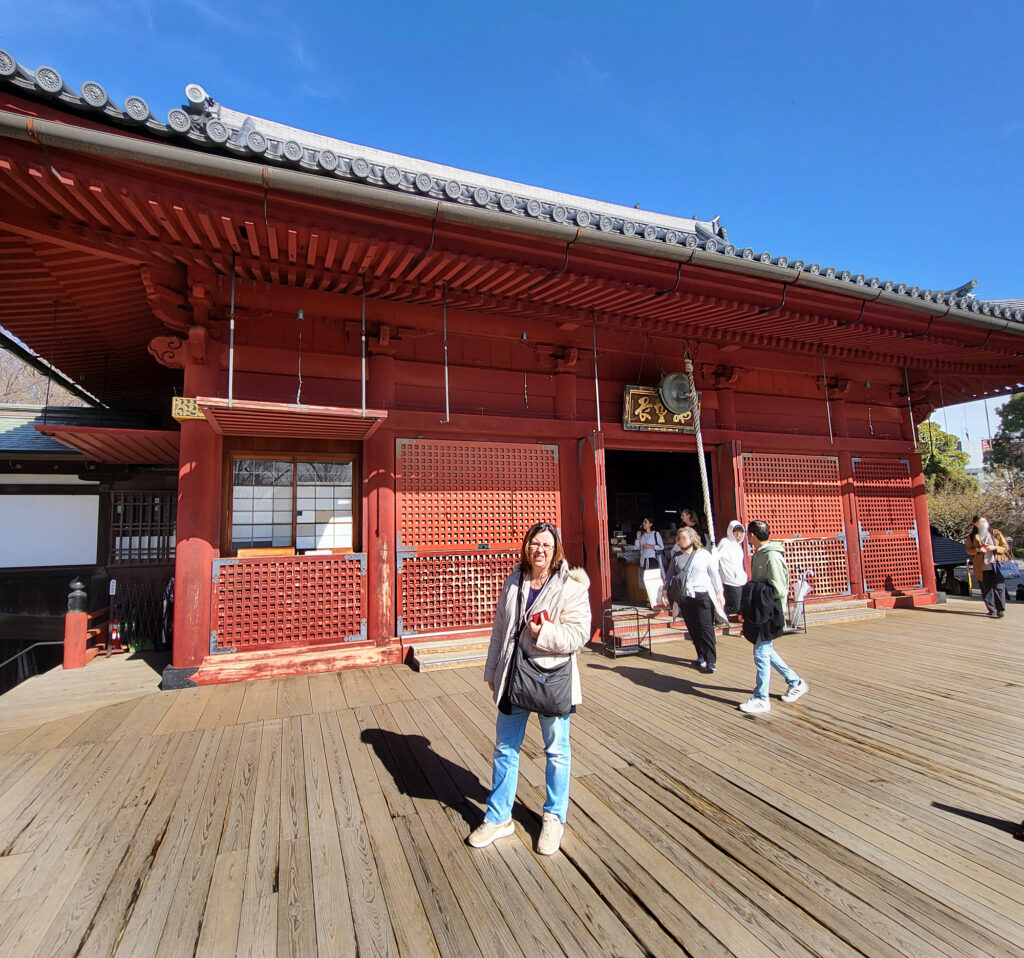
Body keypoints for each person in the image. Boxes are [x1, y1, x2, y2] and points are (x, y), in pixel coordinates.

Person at [469, 522, 591, 856]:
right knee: (505, 747)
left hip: (550, 677)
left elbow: (580, 635)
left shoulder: (571, 587)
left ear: (556, 551)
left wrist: (545, 633)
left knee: (557, 749)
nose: (539, 550)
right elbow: (500, 629)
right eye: (534, 544)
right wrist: (492, 669)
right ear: (526, 547)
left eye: (547, 546)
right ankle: (498, 816)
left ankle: (554, 817)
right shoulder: (513, 581)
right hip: (513, 674)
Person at [738, 519, 808, 713]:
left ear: (752, 535)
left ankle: (761, 698)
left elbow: (778, 587)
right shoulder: (759, 554)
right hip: (760, 609)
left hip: (769, 610)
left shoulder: (772, 557)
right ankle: (795, 682)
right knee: (766, 650)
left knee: (761, 652)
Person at [665, 527, 725, 672]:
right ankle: (701, 654)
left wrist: (719, 592)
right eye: (679, 538)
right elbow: (670, 575)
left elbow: (714, 574)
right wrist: (665, 590)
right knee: (693, 627)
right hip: (685, 595)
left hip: (702, 593)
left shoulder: (704, 554)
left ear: (692, 538)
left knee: (705, 627)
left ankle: (711, 659)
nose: (680, 541)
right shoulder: (676, 556)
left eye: (684, 538)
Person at [965, 515, 1010, 618]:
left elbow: (1005, 547)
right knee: (986, 588)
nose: (984, 524)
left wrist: (994, 547)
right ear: (975, 524)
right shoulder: (972, 536)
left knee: (999, 587)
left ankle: (1001, 609)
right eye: (981, 522)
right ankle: (991, 609)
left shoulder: (995, 533)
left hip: (996, 564)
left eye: (985, 522)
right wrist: (978, 550)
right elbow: (968, 550)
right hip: (982, 566)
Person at [715, 520, 748, 615]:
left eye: (740, 531)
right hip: (730, 579)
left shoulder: (737, 545)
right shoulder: (724, 543)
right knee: (734, 607)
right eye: (736, 531)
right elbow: (716, 558)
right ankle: (717, 614)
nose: (738, 534)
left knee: (742, 605)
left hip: (740, 578)